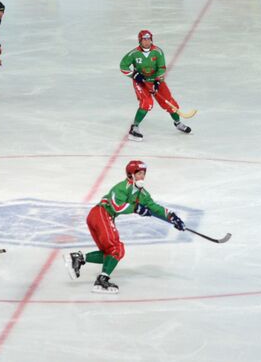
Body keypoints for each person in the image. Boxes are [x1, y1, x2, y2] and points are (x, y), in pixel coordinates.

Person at [69, 160, 185, 294]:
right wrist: (137, 208)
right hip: (101, 214)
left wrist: (172, 218)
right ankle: (102, 280)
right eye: (140, 173)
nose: (142, 176)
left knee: (110, 253)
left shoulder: (143, 194)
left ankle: (79, 258)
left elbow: (154, 208)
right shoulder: (121, 187)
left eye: (143, 173)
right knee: (117, 248)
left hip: (102, 217)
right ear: (131, 174)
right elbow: (116, 207)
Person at [120, 29, 191, 138]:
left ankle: (178, 123)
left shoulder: (158, 52)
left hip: (156, 80)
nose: (147, 41)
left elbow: (162, 68)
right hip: (141, 82)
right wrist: (134, 75)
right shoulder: (134, 54)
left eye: (149, 39)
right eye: (144, 39)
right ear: (140, 40)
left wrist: (157, 81)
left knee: (170, 103)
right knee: (147, 103)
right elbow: (123, 66)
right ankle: (134, 127)